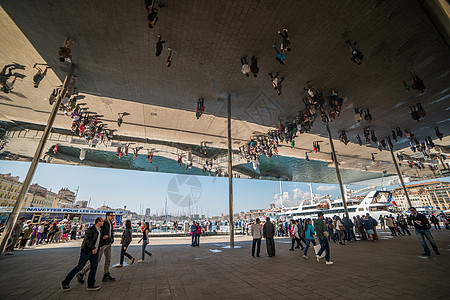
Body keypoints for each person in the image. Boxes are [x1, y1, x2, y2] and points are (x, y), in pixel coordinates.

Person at [60, 217, 104, 291]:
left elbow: (98, 241)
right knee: (79, 267)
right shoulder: (90, 229)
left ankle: (90, 285)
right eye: (102, 221)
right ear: (98, 222)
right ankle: (65, 282)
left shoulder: (100, 230)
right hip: (86, 251)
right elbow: (87, 240)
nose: (103, 223)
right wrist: (92, 248)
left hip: (95, 252)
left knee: (94, 268)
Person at [77, 212, 115, 284]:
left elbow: (111, 232)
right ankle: (82, 273)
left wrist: (112, 239)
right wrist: (102, 238)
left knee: (108, 259)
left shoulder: (111, 223)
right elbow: (99, 232)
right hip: (103, 244)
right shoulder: (104, 223)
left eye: (113, 215)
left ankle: (106, 274)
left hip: (108, 243)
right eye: (111, 215)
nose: (112, 217)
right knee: (97, 261)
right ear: (107, 216)